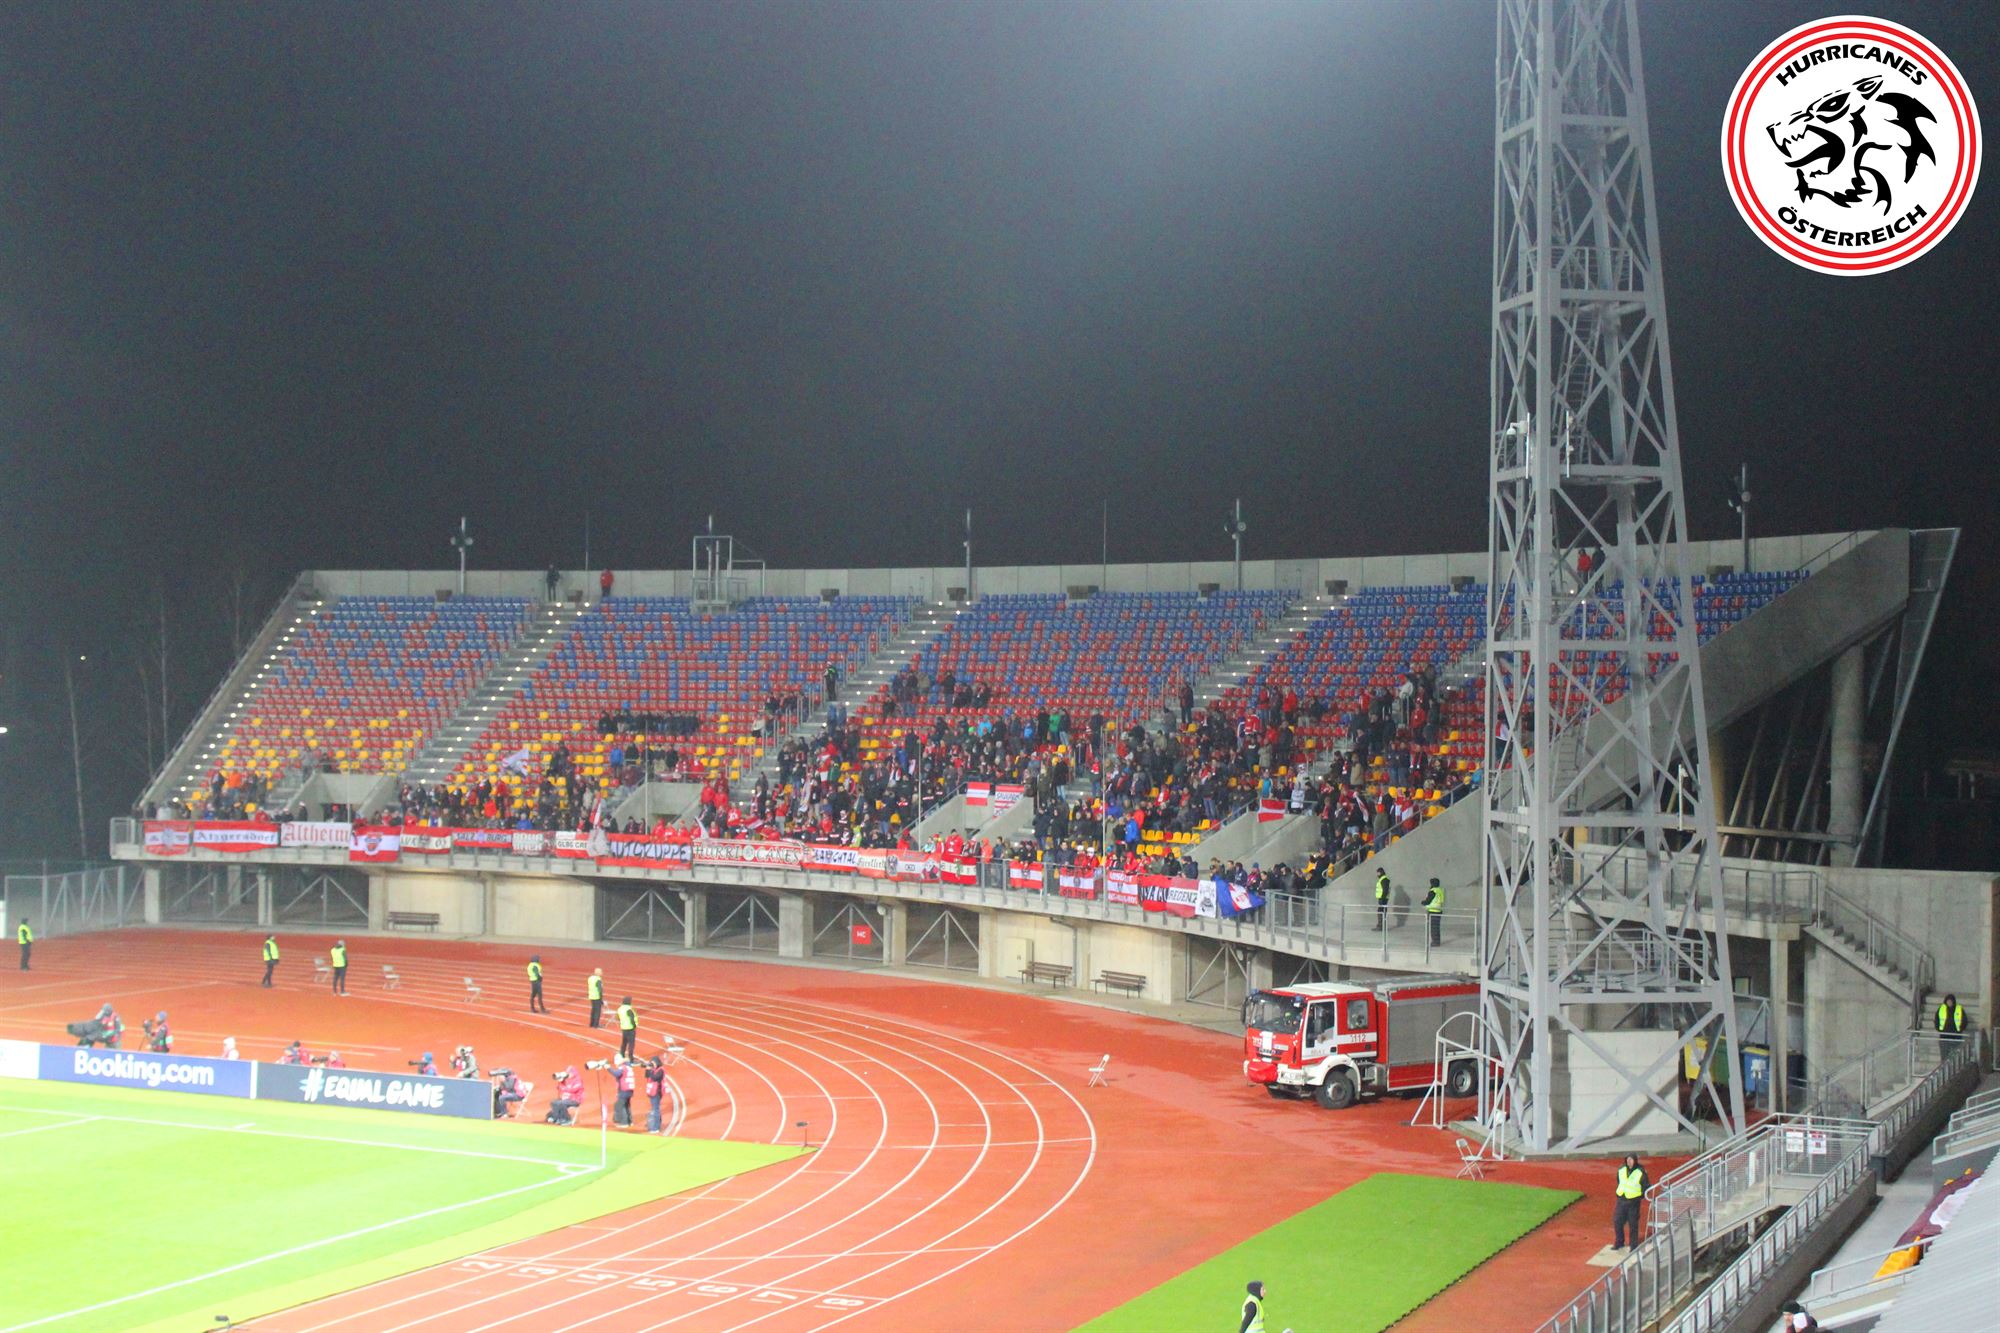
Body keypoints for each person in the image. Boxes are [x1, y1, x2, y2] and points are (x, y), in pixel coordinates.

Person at [1613, 1154, 1649, 1249]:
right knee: (1617, 1221)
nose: (1629, 1161)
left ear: (1635, 1161)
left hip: (1633, 1202)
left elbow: (1646, 1185)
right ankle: (1619, 1242)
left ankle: (1633, 1245)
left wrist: (1640, 1196)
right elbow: (1619, 1181)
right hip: (1622, 1199)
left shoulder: (1640, 1171)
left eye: (1631, 1160)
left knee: (1633, 1224)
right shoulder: (1621, 1169)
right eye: (1628, 1159)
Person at [644, 1055, 666, 1134]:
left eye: (653, 1063)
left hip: (657, 1092)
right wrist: (647, 1069)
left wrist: (650, 1070)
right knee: (655, 1108)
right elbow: (646, 1076)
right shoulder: (654, 1069)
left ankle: (656, 1127)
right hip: (652, 1092)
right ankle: (657, 1125)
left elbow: (654, 1078)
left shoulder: (661, 1070)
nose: (652, 1064)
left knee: (655, 1109)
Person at [612, 1055, 636, 1127]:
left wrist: (608, 1068)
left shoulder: (622, 1067)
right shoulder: (628, 1067)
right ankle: (630, 1121)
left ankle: (624, 1123)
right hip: (630, 1089)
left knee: (621, 1106)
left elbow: (616, 1074)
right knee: (627, 1105)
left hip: (624, 1089)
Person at [1423, 877, 1444, 946]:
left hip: (1432, 910)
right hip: (1439, 910)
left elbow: (1428, 901)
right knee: (1437, 927)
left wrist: (1423, 902)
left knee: (1433, 928)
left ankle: (1435, 942)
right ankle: (1437, 941)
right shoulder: (1440, 890)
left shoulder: (1433, 891)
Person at [617, 996, 639, 1060]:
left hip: (623, 1028)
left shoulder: (620, 1009)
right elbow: (632, 1018)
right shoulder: (629, 1009)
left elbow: (617, 1017)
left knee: (624, 1042)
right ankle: (630, 1057)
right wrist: (634, 1025)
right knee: (631, 1044)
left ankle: (622, 1055)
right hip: (630, 1028)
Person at [1373, 865, 1391, 931]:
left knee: (1381, 912)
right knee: (1382, 912)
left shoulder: (1384, 880)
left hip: (1383, 899)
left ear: (1381, 872)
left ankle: (1380, 927)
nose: (1377, 874)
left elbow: (1385, 890)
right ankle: (1381, 926)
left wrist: (1382, 898)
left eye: (1378, 873)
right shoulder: (1383, 879)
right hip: (1383, 898)